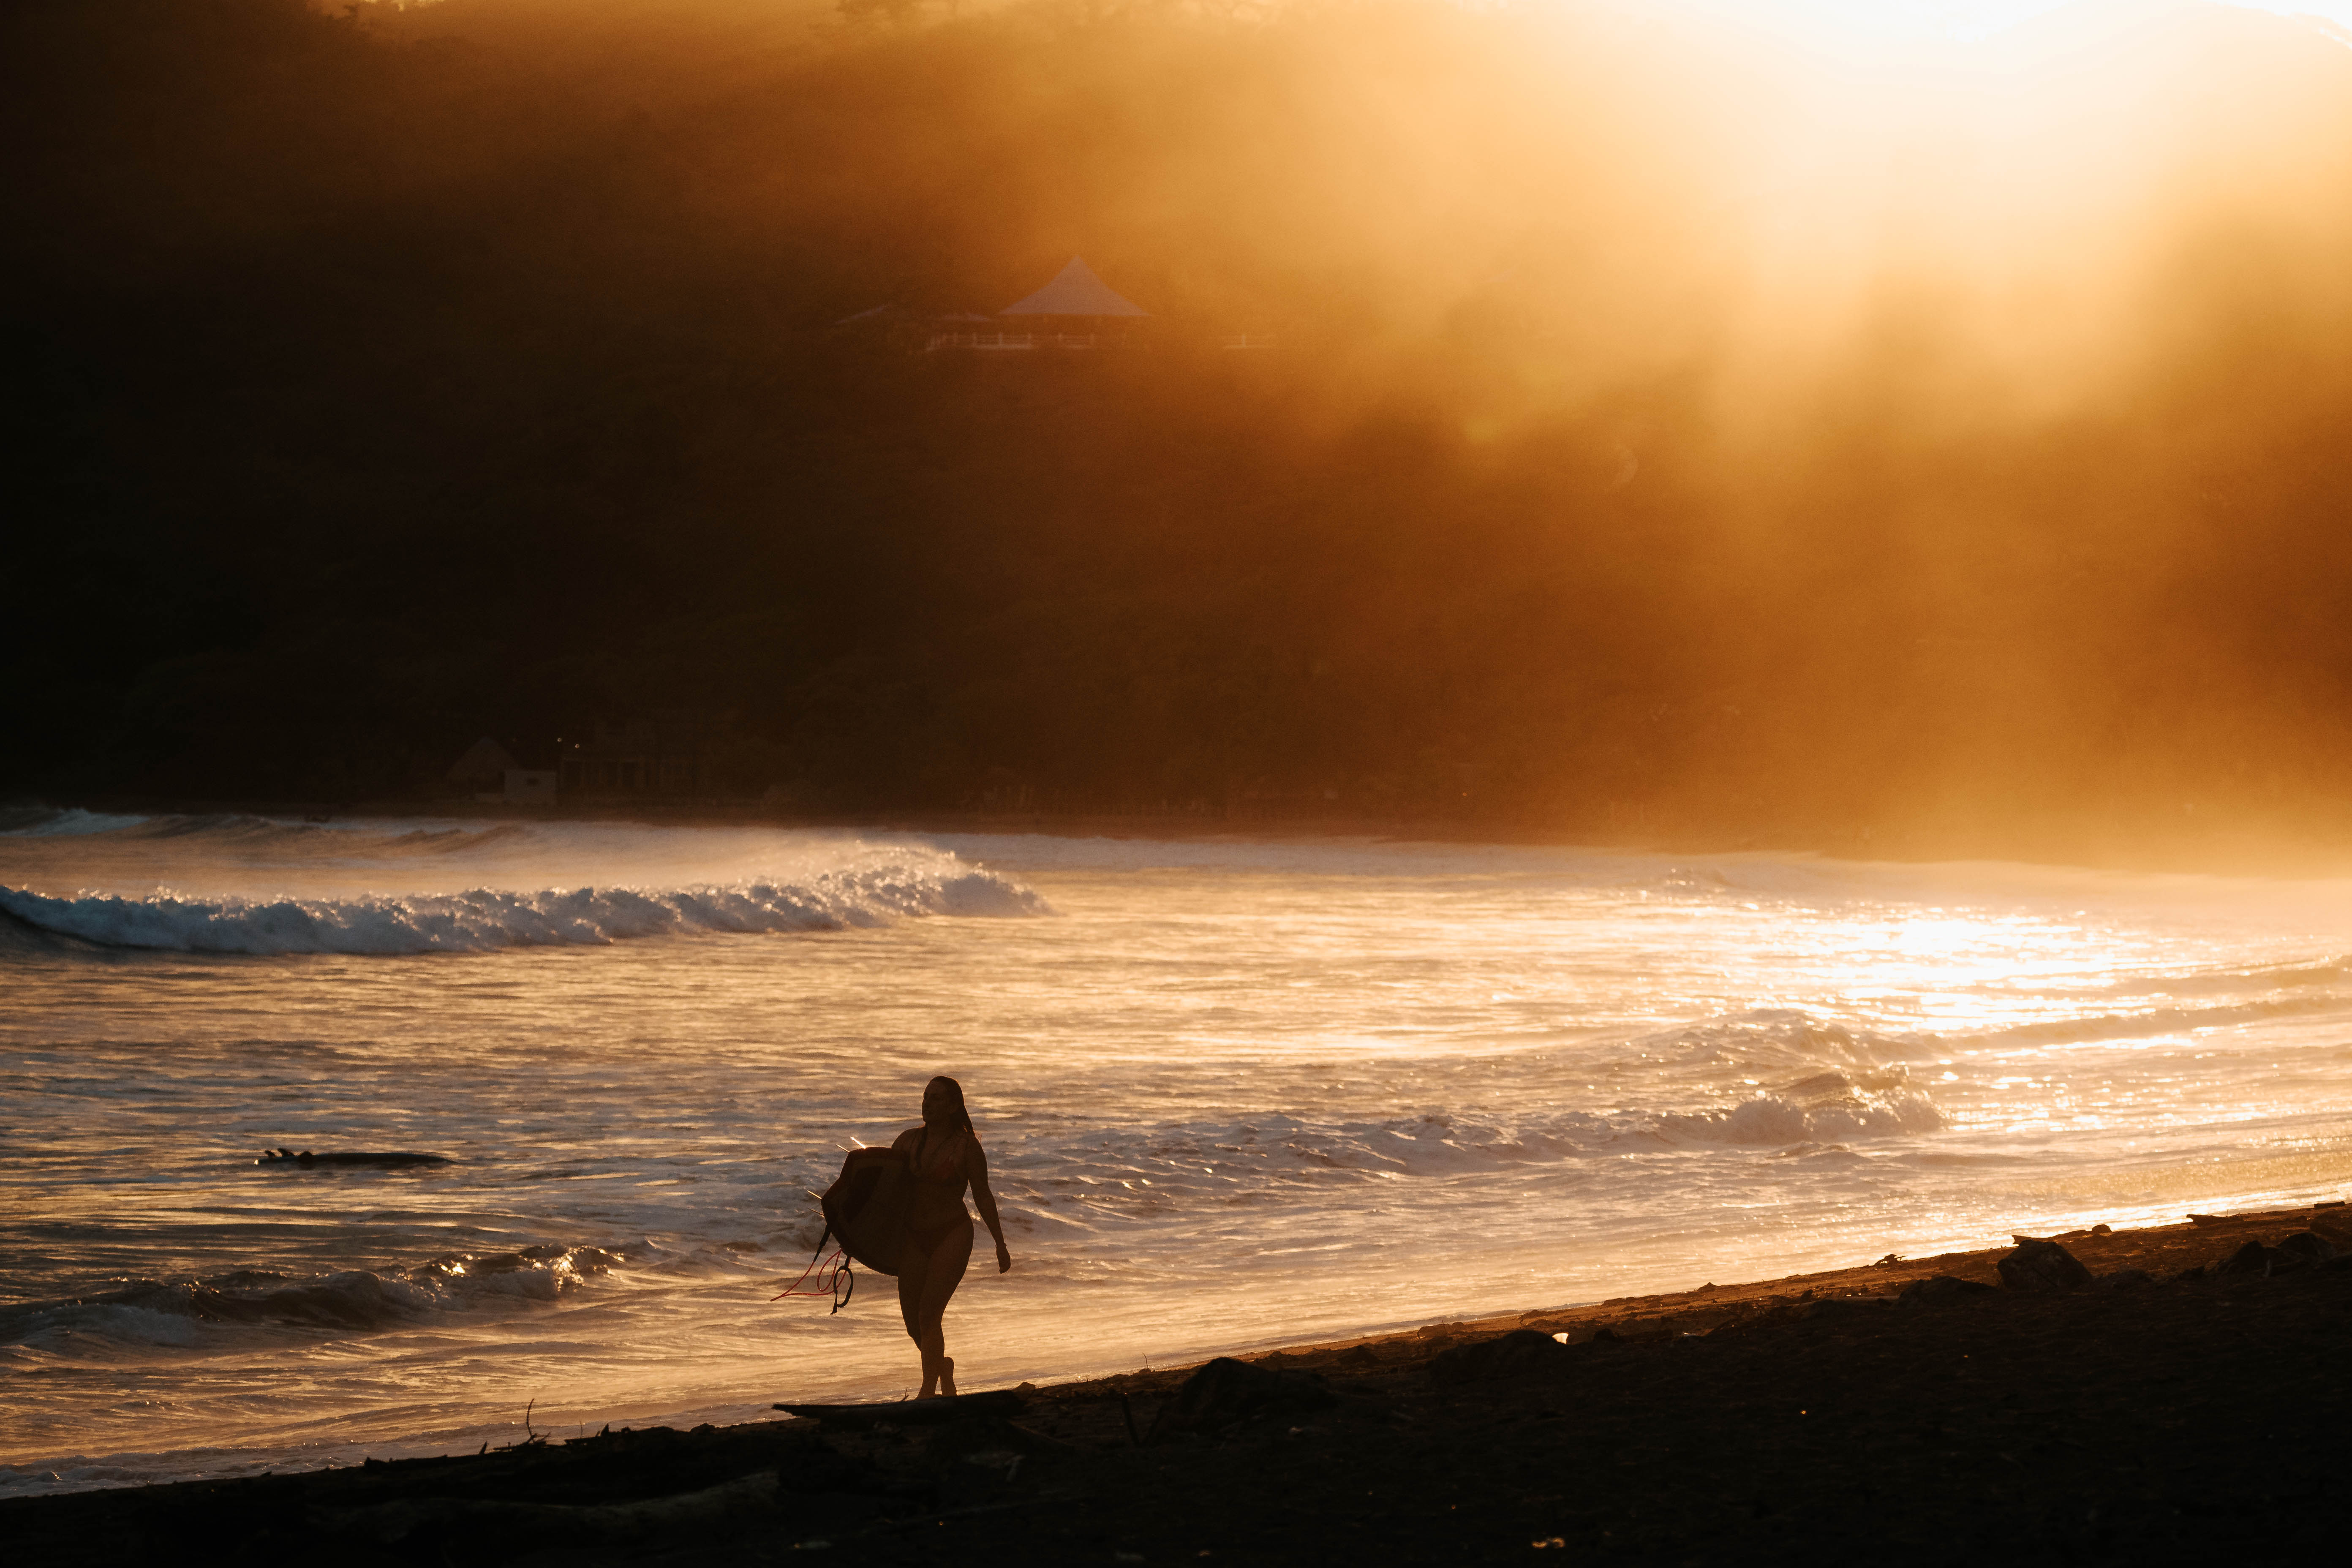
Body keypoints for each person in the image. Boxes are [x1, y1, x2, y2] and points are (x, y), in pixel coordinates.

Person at [888, 1075, 1011, 1397]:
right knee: (914, 1324)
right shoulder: (906, 1141)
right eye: (926, 1097)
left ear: (954, 1106)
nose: (928, 1103)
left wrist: (1000, 1243)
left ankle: (929, 1389)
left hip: (952, 1233)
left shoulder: (967, 1147)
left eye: (937, 1099)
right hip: (914, 1236)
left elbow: (983, 1195)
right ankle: (942, 1367)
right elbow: (886, 1190)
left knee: (930, 1313)